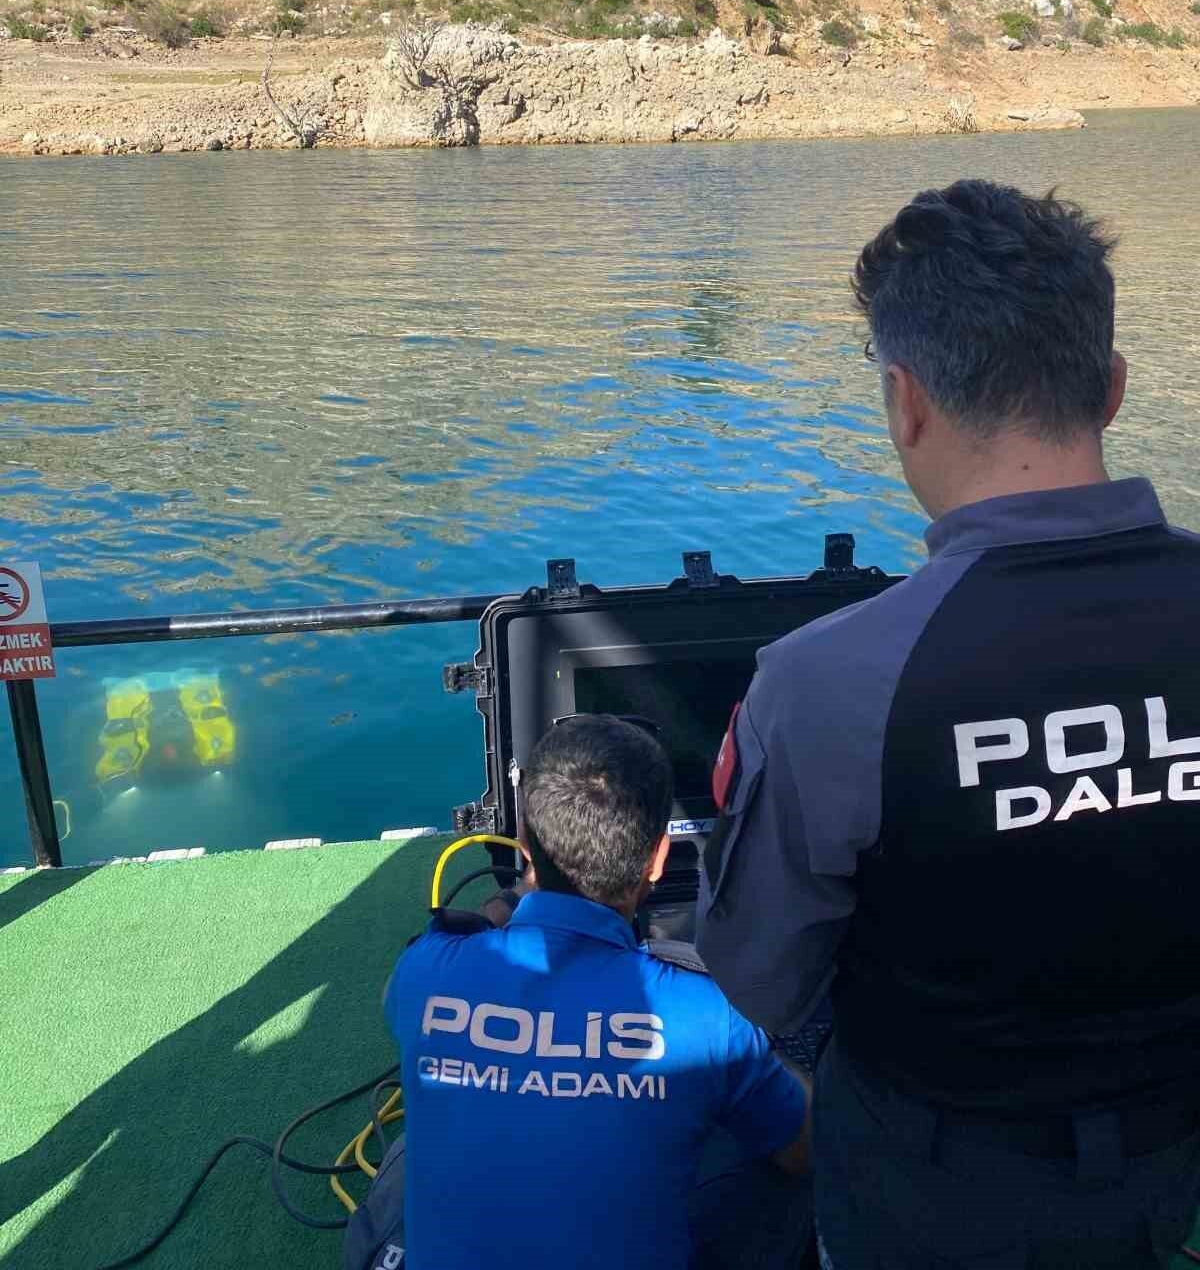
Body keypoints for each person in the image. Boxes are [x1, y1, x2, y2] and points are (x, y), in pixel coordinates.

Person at [695, 180, 1200, 1269]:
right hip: (1168, 1162)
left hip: (922, 1189)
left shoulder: (826, 681)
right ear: (1112, 388)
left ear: (905, 401)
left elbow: (756, 979)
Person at [366, 714, 810, 1270]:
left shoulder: (425, 972)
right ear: (658, 858)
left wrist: (507, 902)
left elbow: (395, 993)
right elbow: (807, 1147)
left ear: (525, 843)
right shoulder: (707, 1020)